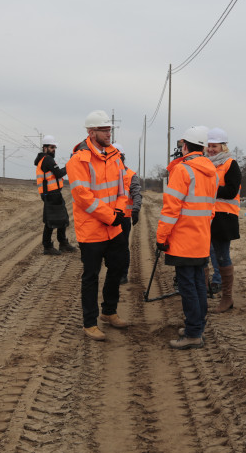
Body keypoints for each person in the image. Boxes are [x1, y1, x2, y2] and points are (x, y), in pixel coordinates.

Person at [66, 110, 129, 341]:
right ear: (91, 132)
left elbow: (123, 188)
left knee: (118, 268)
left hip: (113, 226)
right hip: (92, 229)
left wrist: (120, 210)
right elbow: (83, 196)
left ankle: (109, 312)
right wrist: (110, 216)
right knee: (91, 277)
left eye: (109, 129)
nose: (108, 133)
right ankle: (89, 322)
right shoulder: (78, 160)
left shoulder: (114, 156)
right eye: (104, 129)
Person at [156, 126, 218, 349]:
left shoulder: (183, 170)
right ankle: (197, 326)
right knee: (199, 284)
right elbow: (211, 209)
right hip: (201, 237)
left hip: (183, 240)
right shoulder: (211, 171)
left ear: (185, 146)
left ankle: (193, 333)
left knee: (188, 287)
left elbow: (171, 209)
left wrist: (162, 237)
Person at [206, 127, 241, 313]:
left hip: (224, 217)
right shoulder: (204, 163)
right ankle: (203, 292)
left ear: (223, 147)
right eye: (209, 145)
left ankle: (227, 298)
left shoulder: (230, 164)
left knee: (221, 256)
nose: (211, 149)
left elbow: (231, 191)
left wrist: (208, 189)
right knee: (203, 255)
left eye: (215, 146)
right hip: (206, 215)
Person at [34, 135, 77, 255]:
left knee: (62, 219)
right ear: (45, 148)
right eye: (52, 147)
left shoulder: (45, 159)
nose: (54, 149)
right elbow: (58, 173)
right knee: (51, 221)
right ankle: (48, 246)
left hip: (52, 193)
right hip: (51, 194)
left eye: (54, 147)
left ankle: (62, 243)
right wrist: (70, 165)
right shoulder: (47, 159)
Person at [112, 143, 142, 285]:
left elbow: (136, 194)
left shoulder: (131, 175)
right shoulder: (107, 175)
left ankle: (123, 274)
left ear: (122, 157)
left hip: (124, 217)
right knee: (110, 248)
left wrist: (135, 209)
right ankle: (113, 273)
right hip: (108, 217)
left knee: (122, 247)